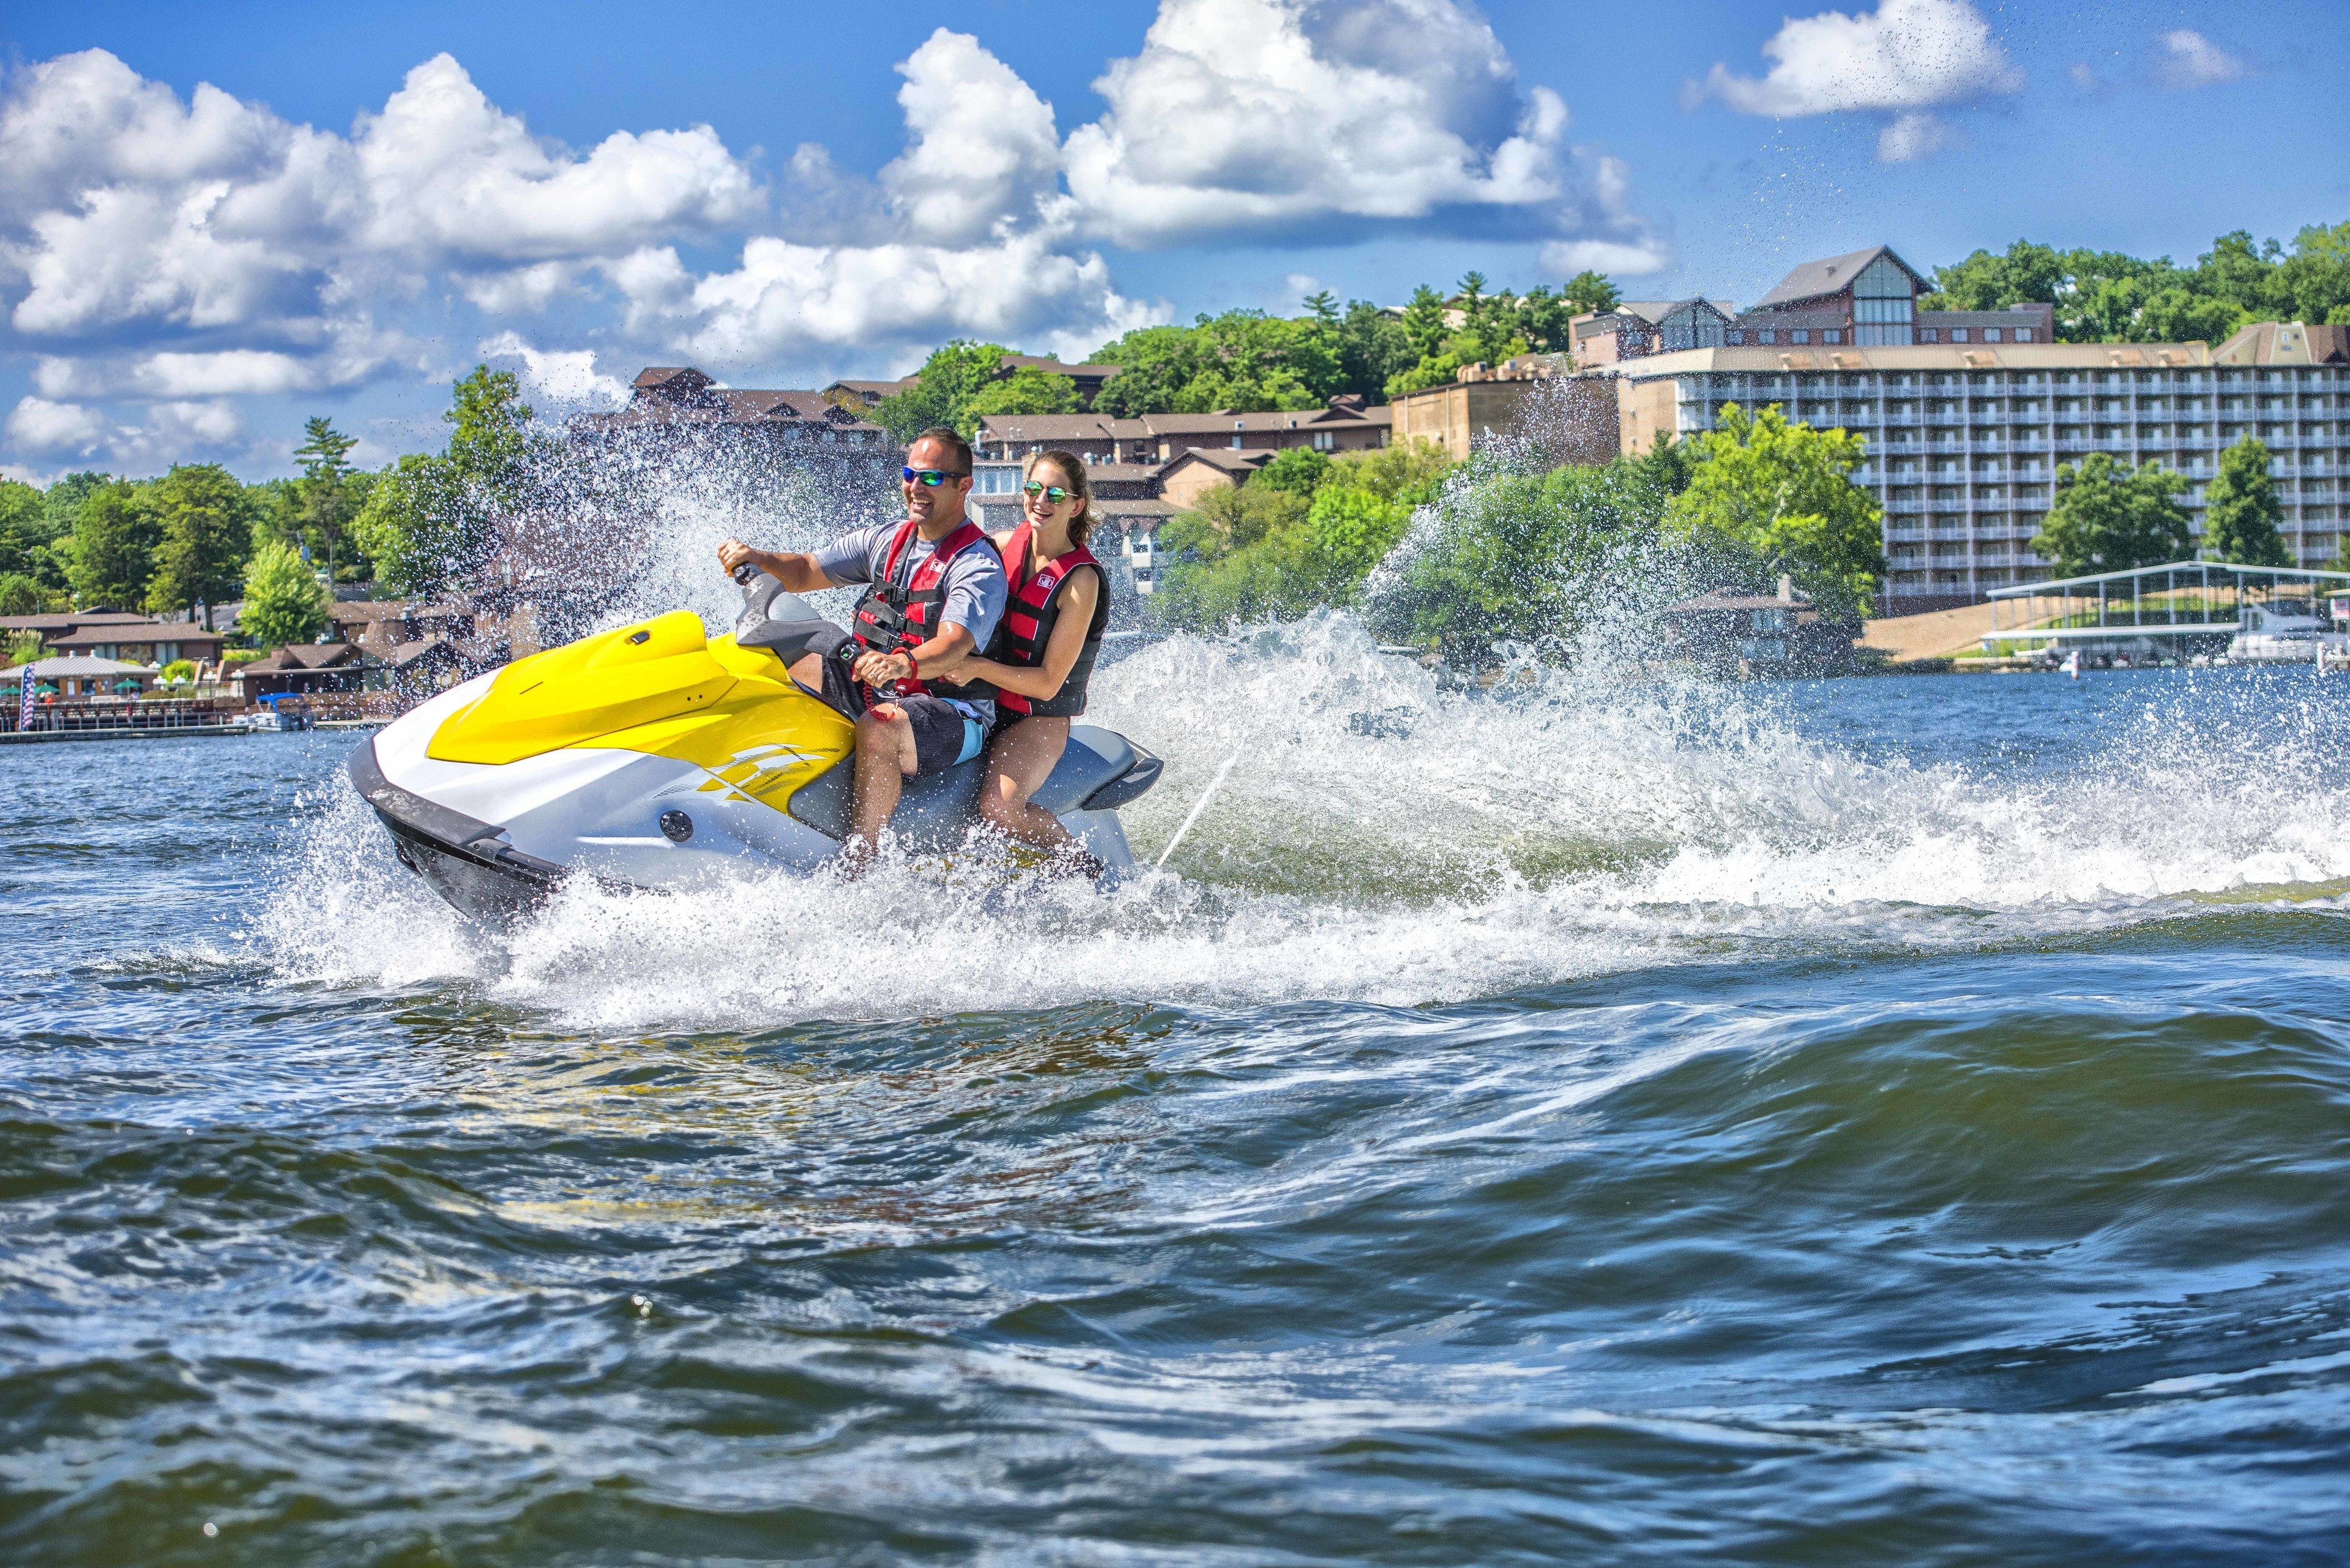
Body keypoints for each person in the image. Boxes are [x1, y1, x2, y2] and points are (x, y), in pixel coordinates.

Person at [717, 427, 1007, 867]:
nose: (915, 486)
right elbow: (805, 570)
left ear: (963, 486)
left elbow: (954, 645)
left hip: (950, 709)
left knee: (881, 725)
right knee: (781, 666)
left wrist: (899, 664)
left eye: (931, 478)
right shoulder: (885, 540)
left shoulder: (976, 565)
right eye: (910, 474)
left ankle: (861, 860)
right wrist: (757, 558)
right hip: (879, 682)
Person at [936, 449, 1112, 877]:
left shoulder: (1080, 581)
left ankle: (1082, 865)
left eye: (1055, 493)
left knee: (998, 809)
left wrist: (976, 668)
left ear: (1076, 505)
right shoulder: (997, 548)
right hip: (983, 702)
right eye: (1034, 489)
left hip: (1037, 717)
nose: (1041, 500)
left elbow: (1049, 683)